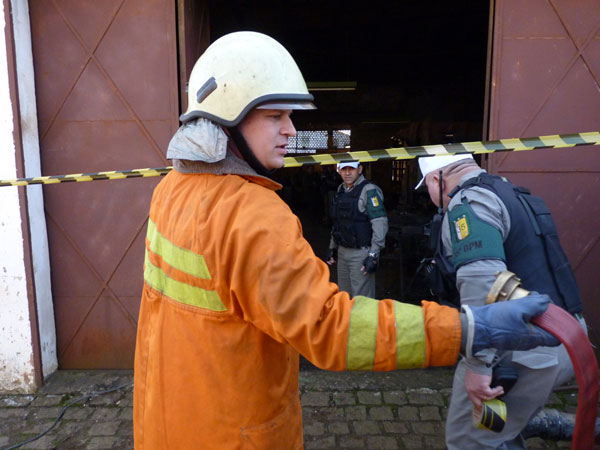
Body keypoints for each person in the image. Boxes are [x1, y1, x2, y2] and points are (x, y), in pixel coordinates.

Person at [133, 31, 559, 450]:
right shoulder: (252, 215)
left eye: (290, 116)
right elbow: (331, 327)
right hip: (232, 431)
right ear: (227, 118)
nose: (291, 130)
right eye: (274, 116)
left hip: (167, 421)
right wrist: (466, 330)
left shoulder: (170, 190)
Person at [415, 153, 586, 449]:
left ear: (436, 178)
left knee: (469, 440)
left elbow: (482, 285)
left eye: (427, 188)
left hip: (525, 349)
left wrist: (479, 366)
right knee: (501, 428)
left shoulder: (468, 203)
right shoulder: (512, 192)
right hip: (566, 336)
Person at [326, 161, 388, 298]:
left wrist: (373, 254)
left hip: (361, 254)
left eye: (351, 169)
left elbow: (380, 222)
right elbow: (338, 222)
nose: (347, 173)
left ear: (360, 169)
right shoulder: (341, 189)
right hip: (342, 253)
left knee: (362, 300)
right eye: (344, 169)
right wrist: (332, 247)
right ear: (339, 171)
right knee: (344, 297)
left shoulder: (369, 190)